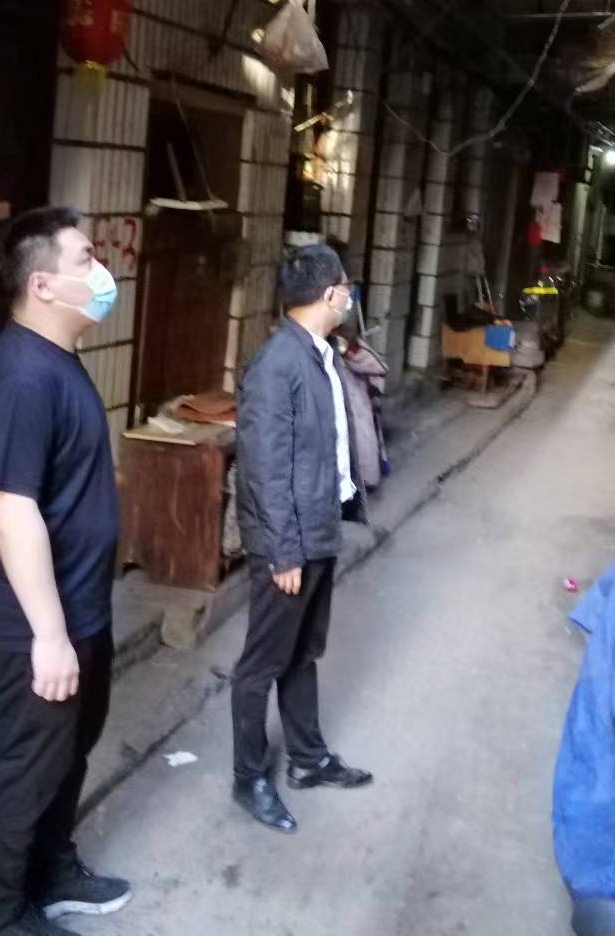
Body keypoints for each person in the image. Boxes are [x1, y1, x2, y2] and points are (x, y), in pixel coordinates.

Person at [0, 207, 131, 936]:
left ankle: (51, 872)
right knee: (25, 765)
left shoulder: (56, 359)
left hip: (77, 608)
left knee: (67, 753)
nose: (103, 272)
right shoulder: (22, 375)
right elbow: (10, 509)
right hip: (30, 625)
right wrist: (50, 637)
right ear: (43, 285)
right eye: (85, 259)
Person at [231, 243, 373, 833]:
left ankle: (308, 759)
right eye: (346, 286)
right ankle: (248, 778)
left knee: (302, 651)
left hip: (318, 528)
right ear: (328, 293)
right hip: (287, 543)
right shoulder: (277, 365)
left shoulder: (319, 354)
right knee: (261, 663)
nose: (350, 295)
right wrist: (283, 552)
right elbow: (264, 469)